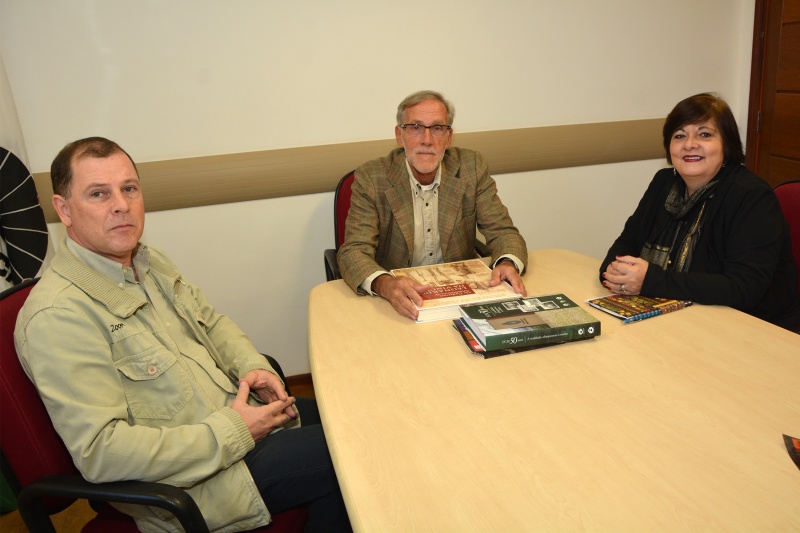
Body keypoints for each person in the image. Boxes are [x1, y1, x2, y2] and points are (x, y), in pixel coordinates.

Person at [14, 137, 351, 532]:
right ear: (64, 210)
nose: (121, 204)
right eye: (98, 194)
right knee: (353, 456)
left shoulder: (147, 260)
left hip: (231, 423)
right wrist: (235, 428)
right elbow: (102, 454)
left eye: (129, 189)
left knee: (352, 418)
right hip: (193, 481)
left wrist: (253, 368)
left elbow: (212, 323)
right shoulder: (59, 316)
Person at [600, 93, 800, 331]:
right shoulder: (663, 183)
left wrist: (650, 281)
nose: (690, 144)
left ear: (727, 143)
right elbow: (627, 242)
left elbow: (743, 288)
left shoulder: (751, 195)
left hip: (754, 328)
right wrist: (617, 272)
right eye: (679, 135)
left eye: (705, 134)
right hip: (681, 318)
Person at [337, 90, 528, 320]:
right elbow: (353, 251)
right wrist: (385, 284)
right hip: (397, 304)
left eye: (437, 128)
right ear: (400, 135)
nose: (427, 140)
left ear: (448, 137)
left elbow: (504, 232)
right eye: (415, 127)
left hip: (459, 299)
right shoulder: (372, 177)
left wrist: (507, 261)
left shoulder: (471, 168)